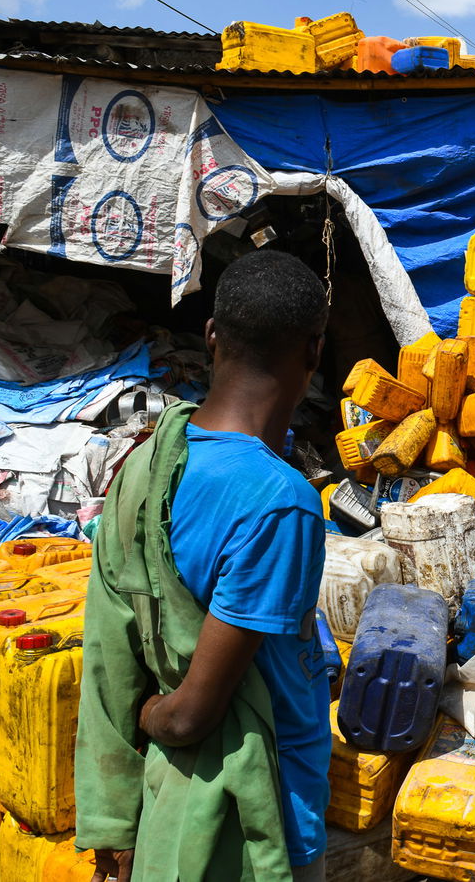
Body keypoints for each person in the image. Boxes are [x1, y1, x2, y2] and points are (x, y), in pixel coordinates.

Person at [76, 250, 332, 882]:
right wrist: (155, 716)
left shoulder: (145, 464)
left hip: (167, 804)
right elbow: (191, 715)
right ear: (315, 352)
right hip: (258, 818)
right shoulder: (281, 503)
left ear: (212, 336)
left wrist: (110, 817)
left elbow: (109, 650)